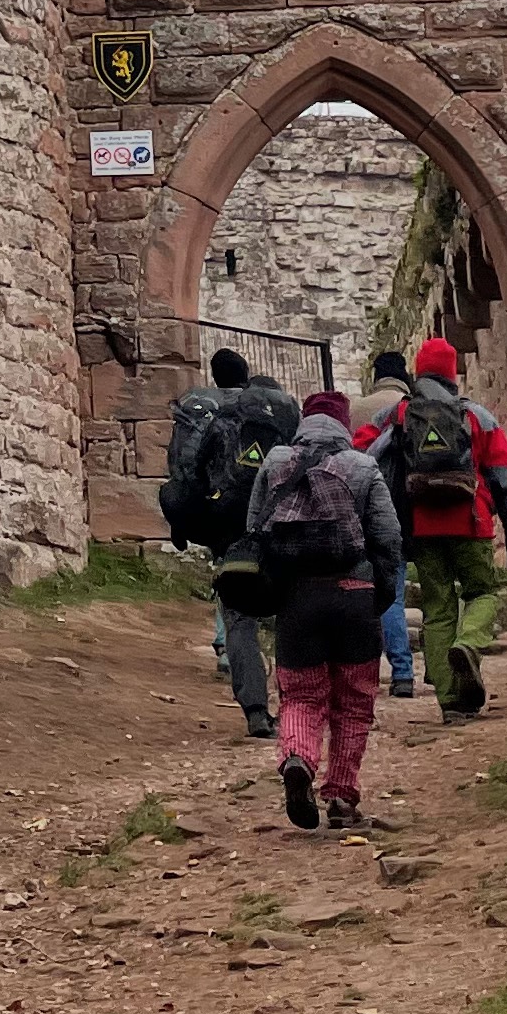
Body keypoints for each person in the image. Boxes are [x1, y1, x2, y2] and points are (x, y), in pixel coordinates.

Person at [244, 390, 403, 830]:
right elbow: (387, 537)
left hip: (297, 599)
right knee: (354, 702)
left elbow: (254, 528)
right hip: (354, 593)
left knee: (301, 696)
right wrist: (382, 593)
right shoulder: (362, 465)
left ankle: (298, 759)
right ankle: (342, 798)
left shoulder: (275, 462)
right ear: (343, 425)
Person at [378, 334, 507, 716]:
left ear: (419, 371)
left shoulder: (399, 414)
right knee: (482, 592)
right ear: (452, 373)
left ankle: (449, 701)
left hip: (422, 526)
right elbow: (501, 476)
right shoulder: (476, 415)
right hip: (471, 521)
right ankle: (469, 643)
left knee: (437, 608)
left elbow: (364, 451)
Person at [171, 347, 298, 734]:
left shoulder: (216, 418)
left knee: (239, 619)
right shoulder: (281, 416)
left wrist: (193, 515)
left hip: (229, 527)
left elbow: (190, 470)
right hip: (279, 523)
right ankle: (300, 708)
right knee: (290, 615)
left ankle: (256, 710)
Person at [349, 350, 426, 701]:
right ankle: (404, 673)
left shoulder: (357, 409)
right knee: (394, 595)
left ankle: (359, 671)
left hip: (364, 511)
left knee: (359, 591)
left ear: (376, 374)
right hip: (411, 511)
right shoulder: (413, 406)